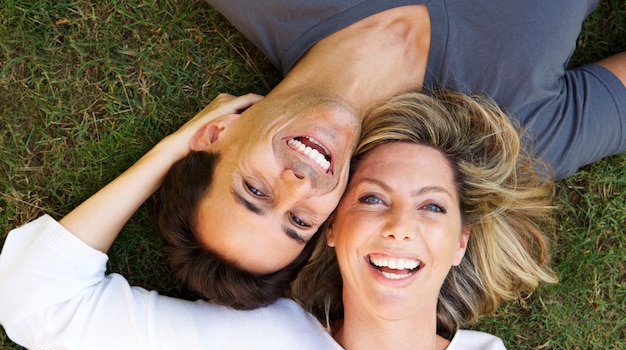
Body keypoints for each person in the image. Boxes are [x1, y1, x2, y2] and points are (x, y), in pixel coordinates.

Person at [0, 89, 561, 350]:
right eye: (370, 199)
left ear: (460, 245)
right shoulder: (239, 348)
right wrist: (183, 145)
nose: (399, 228)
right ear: (333, 229)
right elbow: (36, 297)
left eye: (434, 208)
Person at [154, 0, 626, 289]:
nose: (297, 185)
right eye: (299, 220)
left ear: (215, 133)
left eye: (255, 191)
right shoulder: (507, 134)